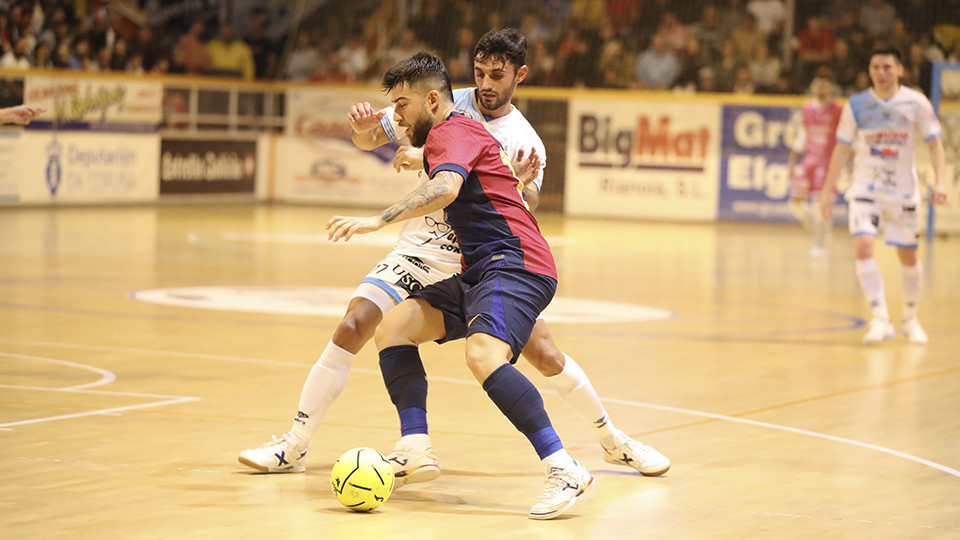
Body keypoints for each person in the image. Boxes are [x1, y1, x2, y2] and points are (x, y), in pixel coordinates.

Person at [238, 29, 669, 480]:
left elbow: (515, 203)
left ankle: (612, 440)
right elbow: (377, 140)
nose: (485, 83)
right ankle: (303, 444)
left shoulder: (526, 139)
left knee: (544, 353)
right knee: (358, 323)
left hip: (475, 255)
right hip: (420, 245)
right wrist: (365, 131)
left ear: (519, 76)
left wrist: (510, 180)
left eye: (496, 75)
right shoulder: (442, 99)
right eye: (479, 72)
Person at [326, 51, 589, 520]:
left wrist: (375, 220)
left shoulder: (453, 131)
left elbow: (445, 188)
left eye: (403, 105)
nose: (397, 117)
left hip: (517, 262)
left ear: (431, 100)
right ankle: (414, 444)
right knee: (394, 329)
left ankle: (563, 466)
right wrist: (413, 151)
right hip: (482, 267)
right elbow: (435, 162)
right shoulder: (452, 135)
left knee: (484, 355)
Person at [820, 47, 947, 344]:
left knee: (908, 256)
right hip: (865, 187)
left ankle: (910, 318)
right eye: (876, 67)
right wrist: (828, 191)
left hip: (902, 190)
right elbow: (841, 149)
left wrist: (940, 182)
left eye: (888, 67)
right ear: (869, 70)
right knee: (863, 245)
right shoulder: (857, 105)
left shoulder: (916, 103)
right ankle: (880, 319)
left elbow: (935, 145)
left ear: (900, 70)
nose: (881, 72)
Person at [787, 68, 843, 258]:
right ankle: (824, 230)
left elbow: (845, 140)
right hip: (809, 160)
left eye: (825, 84)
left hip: (828, 163)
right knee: (796, 202)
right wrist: (792, 161)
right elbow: (804, 135)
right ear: (812, 86)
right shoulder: (807, 108)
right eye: (818, 83)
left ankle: (820, 246)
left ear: (830, 87)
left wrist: (848, 163)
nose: (821, 87)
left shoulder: (837, 110)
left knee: (820, 203)